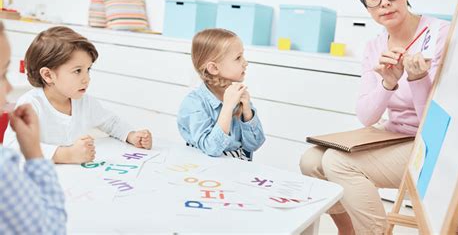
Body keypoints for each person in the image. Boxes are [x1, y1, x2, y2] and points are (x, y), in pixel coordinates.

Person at [300, 0, 450, 234]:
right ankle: (349, 230)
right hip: (392, 135)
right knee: (310, 161)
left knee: (336, 163)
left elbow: (435, 123)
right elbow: (367, 116)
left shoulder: (439, 34)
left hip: (433, 142)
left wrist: (417, 79)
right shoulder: (375, 45)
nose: (384, 2)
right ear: (366, 5)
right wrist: (388, 84)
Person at [13, 26, 153, 164]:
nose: (87, 79)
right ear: (48, 75)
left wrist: (131, 135)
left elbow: (111, 122)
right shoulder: (30, 105)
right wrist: (65, 155)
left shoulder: (84, 103)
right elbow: (14, 145)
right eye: (77, 71)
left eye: (88, 69)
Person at [0, 20, 67, 234]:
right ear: (48, 75)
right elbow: (51, 229)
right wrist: (40, 154)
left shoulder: (84, 102)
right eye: (2, 74)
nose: (9, 86)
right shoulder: (30, 101)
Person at [177, 28, 265, 160]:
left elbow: (254, 145)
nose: (245, 63)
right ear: (214, 68)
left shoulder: (237, 95)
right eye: (238, 58)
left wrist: (247, 112)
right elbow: (211, 148)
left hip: (238, 170)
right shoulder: (194, 104)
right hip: (206, 171)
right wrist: (228, 107)